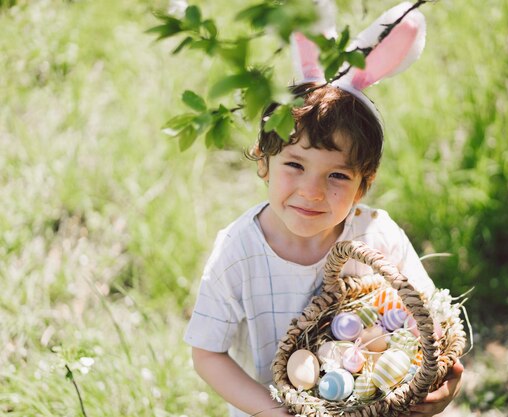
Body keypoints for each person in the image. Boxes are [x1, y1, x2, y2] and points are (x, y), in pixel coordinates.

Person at [184, 82, 463, 417]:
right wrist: (272, 411)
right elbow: (206, 353)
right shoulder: (238, 252)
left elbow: (430, 319)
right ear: (264, 162)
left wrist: (443, 381)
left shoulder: (377, 234)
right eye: (295, 166)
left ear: (364, 184)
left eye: (337, 175)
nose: (312, 191)